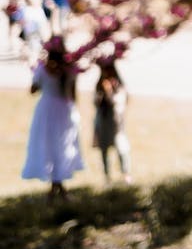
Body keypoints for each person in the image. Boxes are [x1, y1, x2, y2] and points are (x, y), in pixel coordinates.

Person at [21, 34, 85, 199]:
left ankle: (56, 186)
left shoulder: (43, 69)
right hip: (64, 110)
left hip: (47, 109)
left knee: (48, 144)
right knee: (61, 145)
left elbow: (33, 90)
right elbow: (73, 94)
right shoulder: (70, 69)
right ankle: (58, 186)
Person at [93, 61, 132, 184]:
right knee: (104, 149)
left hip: (116, 123)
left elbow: (118, 102)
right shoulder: (99, 87)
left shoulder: (118, 86)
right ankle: (107, 176)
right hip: (103, 122)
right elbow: (95, 103)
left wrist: (109, 91)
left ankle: (126, 173)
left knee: (121, 148)